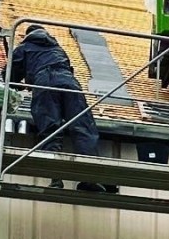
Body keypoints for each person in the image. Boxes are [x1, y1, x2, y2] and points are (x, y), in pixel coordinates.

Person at [8, 26, 117, 194]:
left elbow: (10, 77)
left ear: (28, 35)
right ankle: (91, 179)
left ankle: (55, 179)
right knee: (83, 127)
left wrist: (14, 79)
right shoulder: (57, 48)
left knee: (50, 129)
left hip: (44, 82)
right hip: (69, 82)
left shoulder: (24, 48)